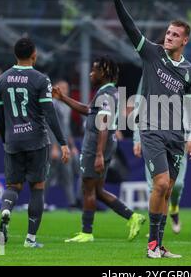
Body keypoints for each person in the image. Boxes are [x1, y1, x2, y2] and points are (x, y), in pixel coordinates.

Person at [113, 0, 191, 259]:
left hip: (176, 135)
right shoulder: (152, 53)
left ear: (185, 40)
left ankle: (159, 245)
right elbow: (130, 28)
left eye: (175, 34)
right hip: (151, 129)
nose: (168, 37)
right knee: (161, 184)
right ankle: (151, 245)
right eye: (167, 32)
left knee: (167, 191)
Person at [52, 57, 145, 243]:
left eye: (94, 70)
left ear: (104, 73)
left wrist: (99, 154)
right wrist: (63, 97)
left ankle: (86, 232)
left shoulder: (105, 94)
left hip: (96, 146)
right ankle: (133, 217)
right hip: (106, 144)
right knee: (98, 190)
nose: (90, 73)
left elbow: (103, 123)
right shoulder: (109, 92)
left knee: (88, 188)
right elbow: (88, 110)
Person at [0, 38, 70, 248]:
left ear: (15, 54)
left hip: (12, 141)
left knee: (13, 186)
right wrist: (63, 142)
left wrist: (5, 139)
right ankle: (30, 239)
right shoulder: (41, 79)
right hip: (36, 141)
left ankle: (6, 209)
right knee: (37, 187)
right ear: (34, 55)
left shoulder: (2, 79)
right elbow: (50, 113)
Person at [133, 79, 186, 234]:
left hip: (177, 137)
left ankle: (174, 207)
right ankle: (155, 230)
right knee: (156, 186)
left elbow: (190, 105)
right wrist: (137, 139)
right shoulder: (150, 69)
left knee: (177, 185)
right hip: (152, 136)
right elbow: (139, 102)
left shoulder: (185, 70)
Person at [46, 80, 79, 211]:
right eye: (62, 88)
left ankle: (72, 203)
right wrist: (53, 146)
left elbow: (66, 129)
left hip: (64, 146)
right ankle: (39, 201)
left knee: (69, 173)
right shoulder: (52, 104)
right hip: (54, 145)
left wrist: (73, 146)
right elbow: (50, 126)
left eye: (67, 87)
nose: (65, 90)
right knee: (48, 175)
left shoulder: (66, 106)